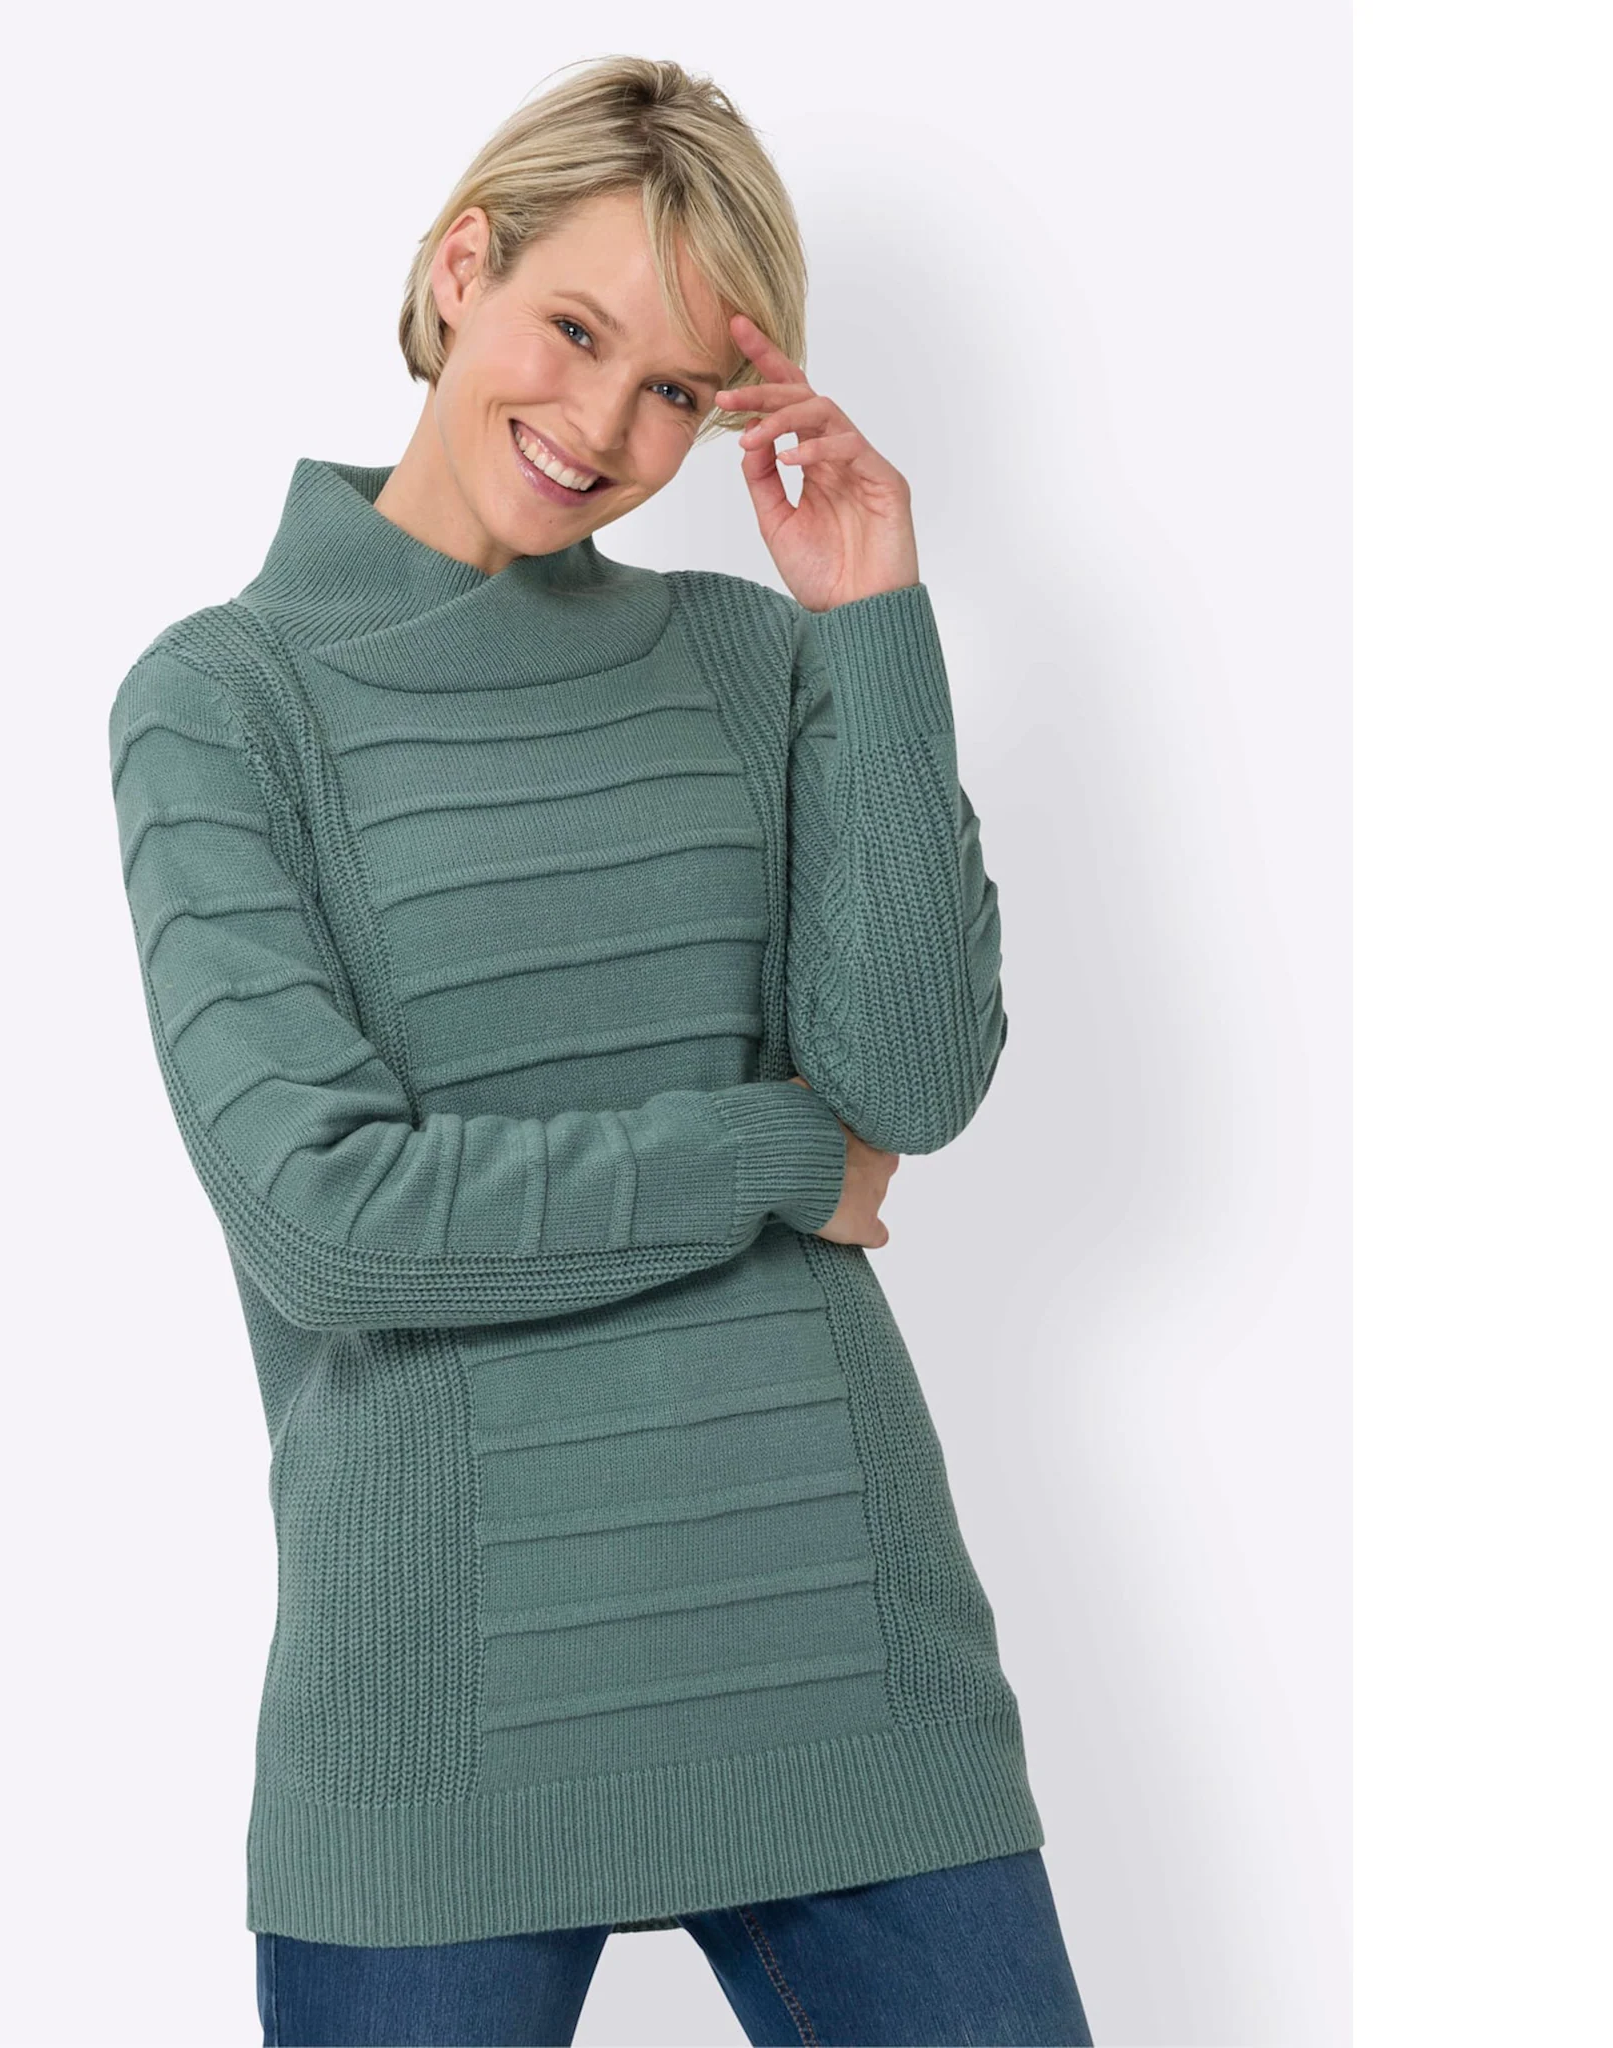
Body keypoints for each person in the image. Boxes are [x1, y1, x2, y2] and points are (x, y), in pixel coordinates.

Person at [108, 53, 1092, 2048]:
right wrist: (768, 1157)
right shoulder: (224, 703)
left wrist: (872, 621)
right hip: (438, 1715)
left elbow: (910, 1083)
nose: (601, 429)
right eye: (574, 330)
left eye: (674, 392)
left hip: (839, 1652)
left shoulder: (747, 656)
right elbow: (329, 1220)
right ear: (461, 265)